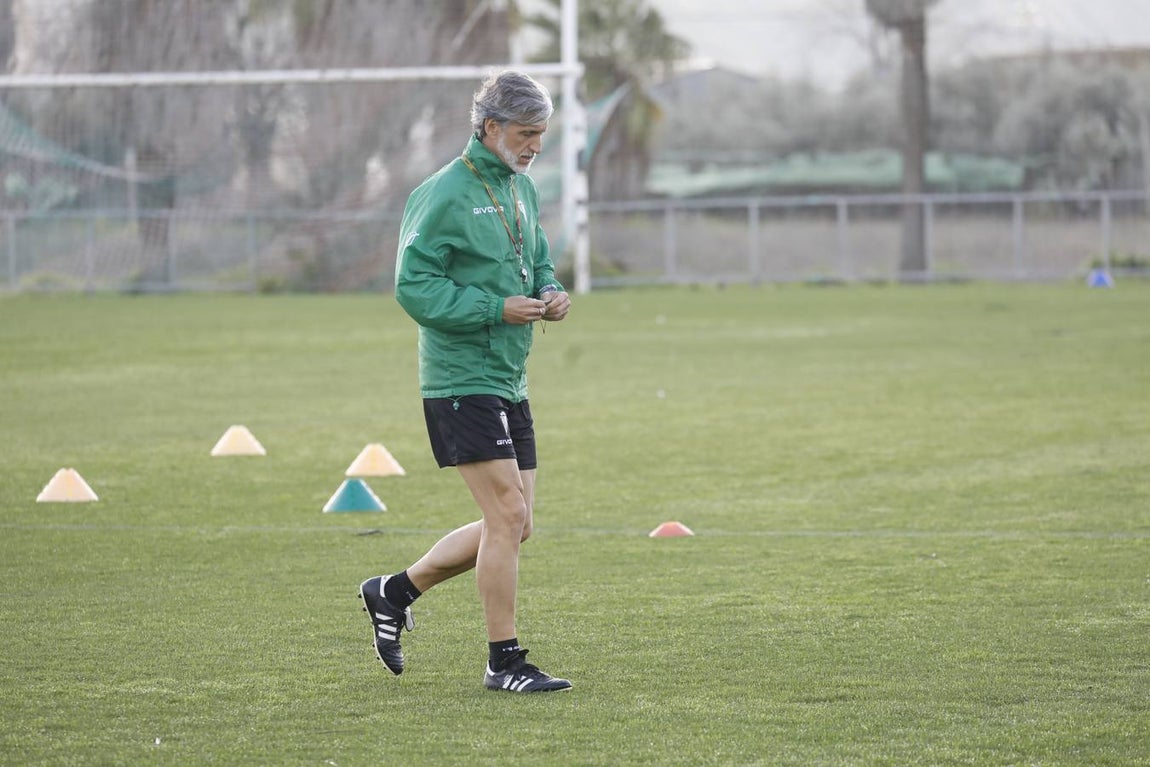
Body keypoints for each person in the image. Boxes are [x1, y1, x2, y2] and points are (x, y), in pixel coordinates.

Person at [359, 71, 573, 694]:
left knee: (517, 522)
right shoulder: (442, 193)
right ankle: (503, 662)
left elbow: (536, 260)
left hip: (508, 376)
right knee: (507, 513)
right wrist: (492, 309)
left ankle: (392, 592)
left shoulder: (522, 190)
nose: (535, 145)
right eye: (527, 134)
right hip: (458, 377)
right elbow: (413, 287)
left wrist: (549, 291)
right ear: (490, 128)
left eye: (542, 135)